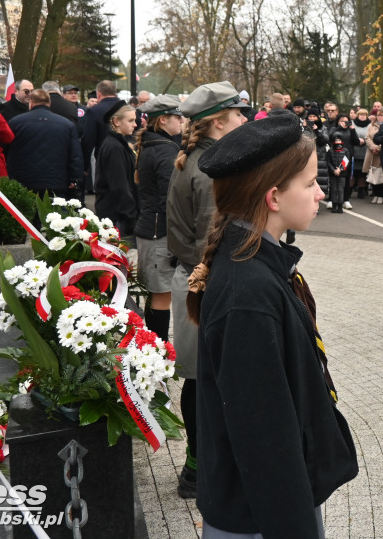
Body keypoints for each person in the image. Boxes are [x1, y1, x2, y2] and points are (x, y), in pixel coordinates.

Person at [190, 112, 357, 537]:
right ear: (273, 197)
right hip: (260, 516)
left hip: (265, 506)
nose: (321, 193)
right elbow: (264, 438)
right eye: (310, 183)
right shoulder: (249, 293)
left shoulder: (257, 267)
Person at [166, 80, 247, 499]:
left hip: (194, 278)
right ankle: (199, 467)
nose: (244, 120)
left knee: (201, 378)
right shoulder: (209, 169)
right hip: (206, 282)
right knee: (205, 380)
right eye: (237, 115)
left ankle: (200, 463)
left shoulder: (198, 160)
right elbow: (210, 242)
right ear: (218, 123)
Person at [133, 95, 183, 341]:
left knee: (158, 294)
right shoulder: (165, 149)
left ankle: (154, 350)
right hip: (158, 233)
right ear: (163, 120)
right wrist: (177, 242)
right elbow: (169, 200)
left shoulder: (155, 144)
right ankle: (157, 353)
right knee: (161, 295)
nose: (182, 121)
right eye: (178, 117)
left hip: (153, 230)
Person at [6, 90, 83, 200]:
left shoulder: (15, 123)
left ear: (31, 103)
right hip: (56, 181)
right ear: (49, 103)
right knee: (54, 215)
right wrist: (75, 179)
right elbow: (75, 155)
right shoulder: (67, 125)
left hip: (23, 181)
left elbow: (6, 149)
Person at [94, 101, 140, 242]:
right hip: (118, 217)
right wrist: (130, 216)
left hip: (118, 214)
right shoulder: (114, 147)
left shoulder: (118, 144)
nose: (135, 124)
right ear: (116, 121)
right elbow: (119, 185)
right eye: (130, 120)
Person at [364, 109, 383, 203]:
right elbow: (367, 137)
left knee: (381, 175)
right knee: (373, 174)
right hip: (372, 152)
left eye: (382, 115)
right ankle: (375, 193)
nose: (380, 117)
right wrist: (373, 146)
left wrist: (379, 148)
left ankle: (381, 195)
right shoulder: (371, 125)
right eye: (378, 115)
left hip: (382, 153)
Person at [351, 107, 372, 199]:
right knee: (353, 172)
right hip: (354, 151)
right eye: (361, 114)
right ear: (357, 115)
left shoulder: (370, 125)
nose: (362, 116)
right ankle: (349, 190)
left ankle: (361, 190)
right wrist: (357, 140)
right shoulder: (352, 124)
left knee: (363, 173)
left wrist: (364, 140)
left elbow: (372, 136)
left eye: (364, 115)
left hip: (365, 151)